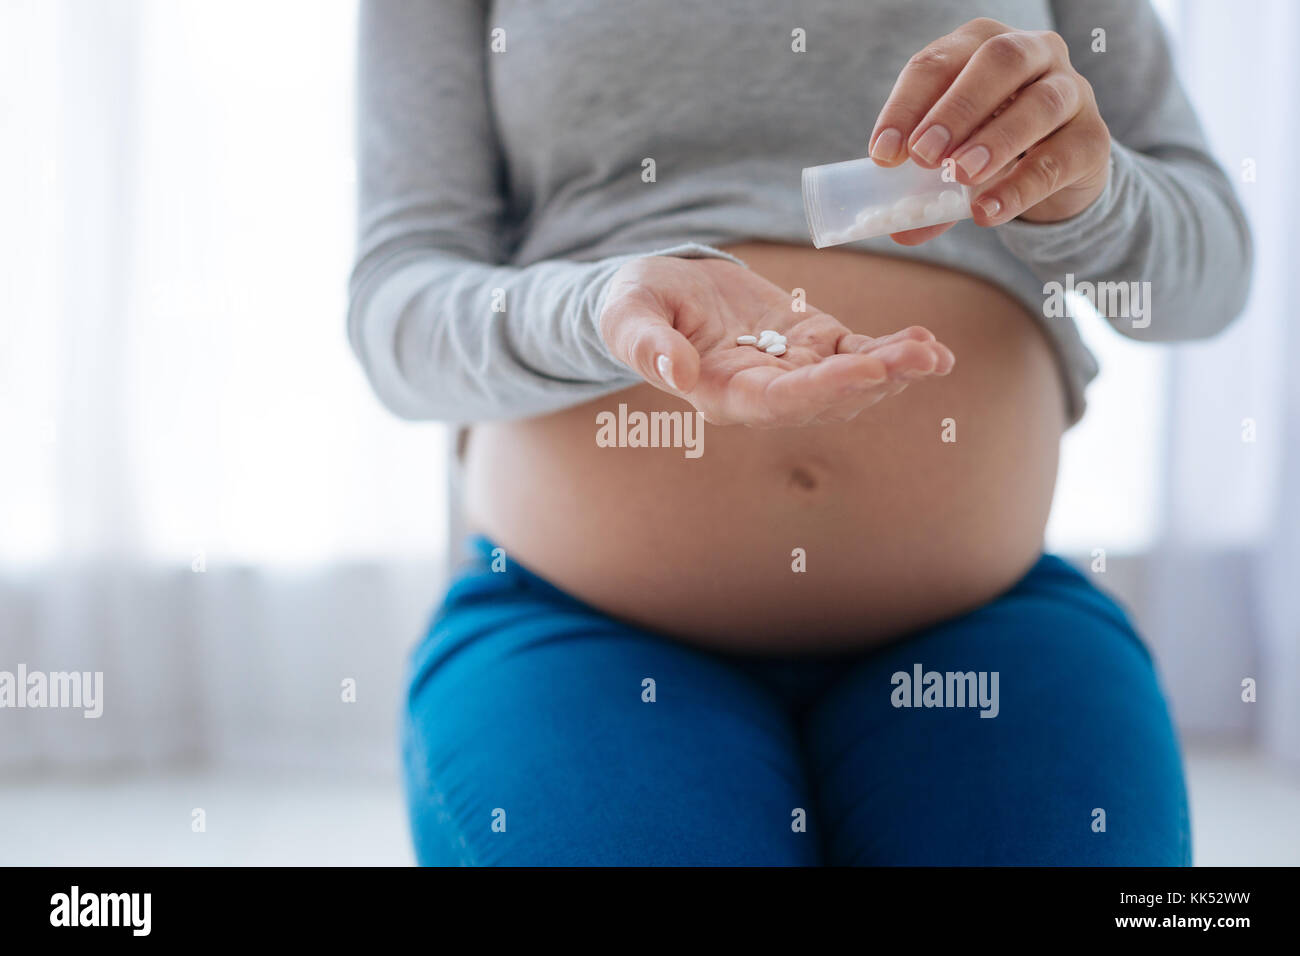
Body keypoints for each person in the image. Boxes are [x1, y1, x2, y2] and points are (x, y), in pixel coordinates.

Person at [349, 0, 1251, 865]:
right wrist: (594, 308)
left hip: (985, 621)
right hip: (573, 627)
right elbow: (397, 310)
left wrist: (1091, 197)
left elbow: (1212, 278)